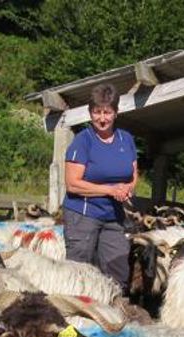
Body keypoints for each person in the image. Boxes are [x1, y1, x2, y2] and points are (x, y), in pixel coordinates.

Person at [62, 83, 138, 290]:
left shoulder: (126, 139)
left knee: (118, 272)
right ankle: (77, 314)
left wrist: (127, 189)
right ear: (90, 113)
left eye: (107, 112)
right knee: (80, 272)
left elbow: (133, 173)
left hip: (115, 216)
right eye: (97, 112)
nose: (102, 118)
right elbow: (72, 184)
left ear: (116, 113)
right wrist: (110, 190)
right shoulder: (83, 141)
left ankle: (113, 313)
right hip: (83, 215)